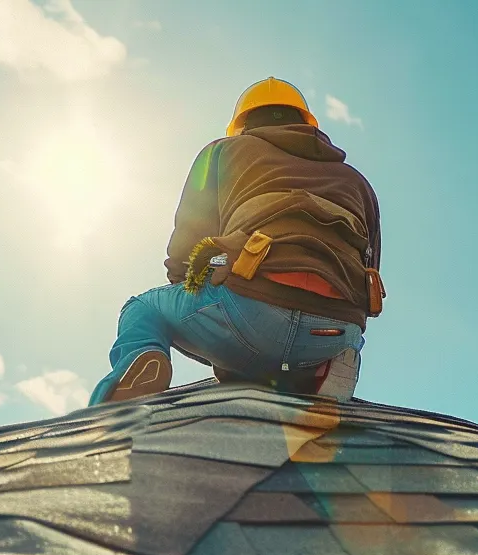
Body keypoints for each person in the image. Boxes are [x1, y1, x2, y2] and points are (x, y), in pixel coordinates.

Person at [89, 77, 384, 405]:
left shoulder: (221, 152)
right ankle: (325, 369)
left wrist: (211, 326)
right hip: (338, 330)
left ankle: (135, 372)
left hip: (250, 310)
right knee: (289, 351)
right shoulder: (359, 183)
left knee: (142, 309)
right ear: (305, 121)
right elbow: (370, 267)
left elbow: (184, 256)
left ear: (242, 124)